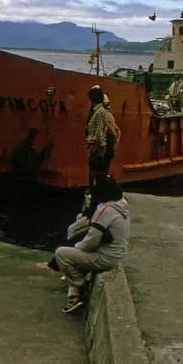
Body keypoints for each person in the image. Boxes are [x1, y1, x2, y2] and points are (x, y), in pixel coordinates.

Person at [54, 173, 130, 313]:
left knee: (62, 254)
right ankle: (75, 290)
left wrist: (75, 247)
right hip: (116, 254)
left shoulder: (105, 210)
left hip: (104, 257)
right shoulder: (121, 206)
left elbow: (91, 242)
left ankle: (79, 287)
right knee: (74, 245)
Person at [85, 86, 110, 186]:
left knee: (95, 172)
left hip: (96, 147)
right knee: (96, 171)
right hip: (97, 146)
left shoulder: (99, 112)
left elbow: (99, 133)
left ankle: (95, 191)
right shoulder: (100, 111)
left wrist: (93, 148)